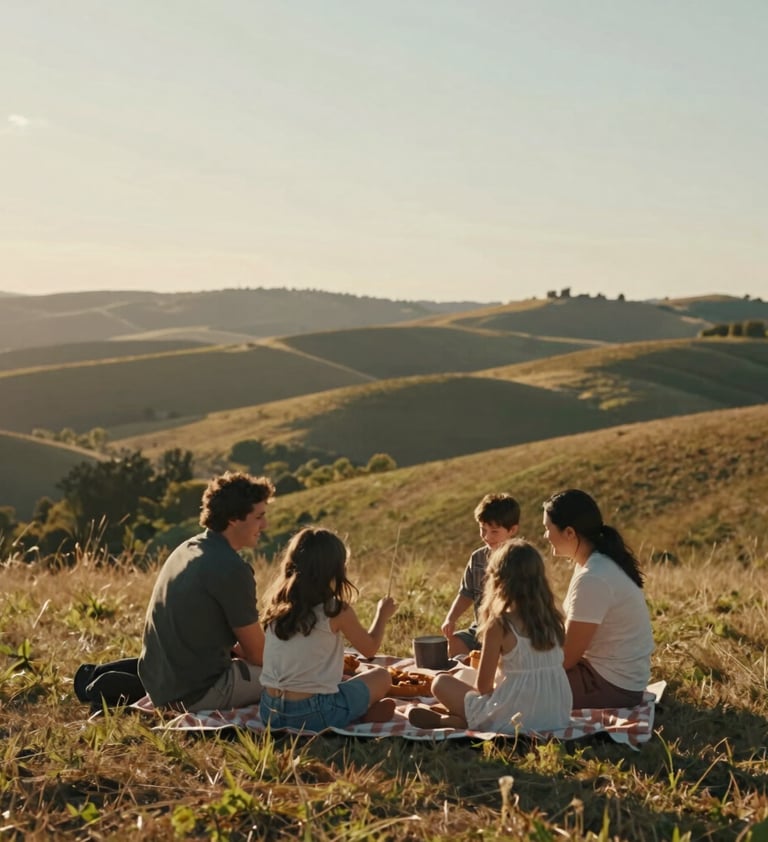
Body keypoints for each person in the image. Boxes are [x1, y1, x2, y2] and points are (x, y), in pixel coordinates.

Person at [137, 471, 275, 711]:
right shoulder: (231, 569)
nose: (265, 524)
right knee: (301, 678)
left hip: (160, 685)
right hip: (197, 693)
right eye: (259, 516)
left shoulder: (187, 549)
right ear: (233, 518)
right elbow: (258, 656)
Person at [409, 539, 572, 732]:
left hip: (513, 720)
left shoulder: (501, 624)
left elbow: (484, 686)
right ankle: (456, 718)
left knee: (441, 683)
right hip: (556, 715)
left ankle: (453, 721)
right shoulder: (553, 619)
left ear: (498, 580)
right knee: (466, 676)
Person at [259, 527, 398, 731]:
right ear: (335, 570)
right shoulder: (334, 609)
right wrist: (382, 614)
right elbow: (369, 649)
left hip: (269, 712)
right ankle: (358, 715)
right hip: (314, 713)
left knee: (342, 681)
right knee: (381, 676)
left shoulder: (277, 605)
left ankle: (357, 714)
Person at [542, 488, 654, 709]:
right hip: (614, 677)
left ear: (570, 533)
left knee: (518, 689)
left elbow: (567, 659)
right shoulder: (594, 563)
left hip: (611, 686)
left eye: (548, 529)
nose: (545, 536)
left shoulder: (594, 577)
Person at [441, 493, 520, 657]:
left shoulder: (521, 560)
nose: (486, 537)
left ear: (512, 530)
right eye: (483, 530)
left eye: (494, 532)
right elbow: (466, 594)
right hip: (479, 629)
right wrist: (451, 619)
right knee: (455, 642)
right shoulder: (477, 558)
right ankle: (466, 677)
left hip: (511, 632)